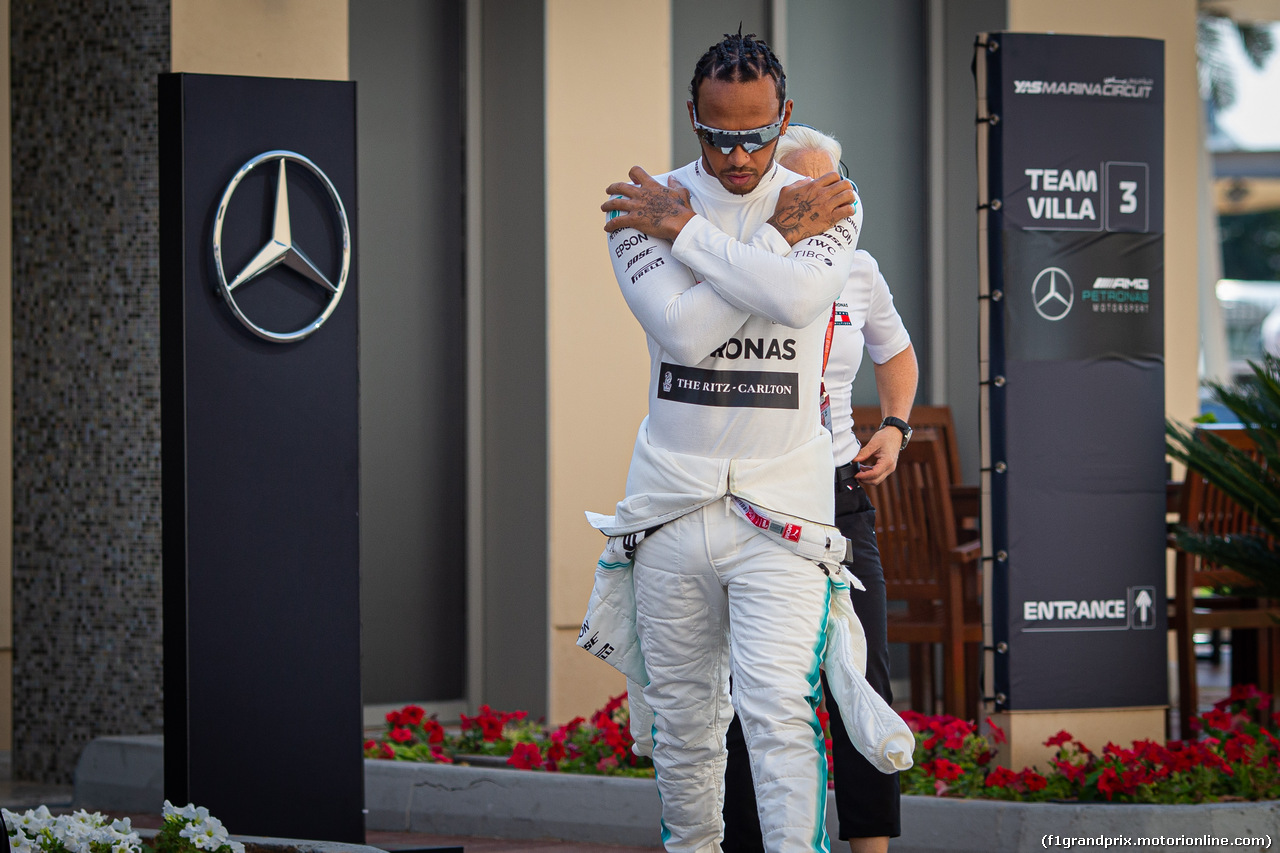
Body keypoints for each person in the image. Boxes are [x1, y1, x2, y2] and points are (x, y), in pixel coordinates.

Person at [595, 31, 864, 853]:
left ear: (784, 116)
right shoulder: (645, 205)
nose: (738, 154)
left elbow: (794, 303)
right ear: (692, 117)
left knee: (781, 710)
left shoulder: (827, 200)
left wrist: (700, 240)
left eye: (756, 133)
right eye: (718, 134)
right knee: (682, 725)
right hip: (672, 504)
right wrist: (759, 246)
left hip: (782, 509)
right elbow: (683, 333)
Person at [721, 126, 918, 853]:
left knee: (863, 672)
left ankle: (869, 841)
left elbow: (895, 353)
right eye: (806, 190)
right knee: (753, 687)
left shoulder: (859, 270)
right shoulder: (740, 263)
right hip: (752, 498)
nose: (827, 203)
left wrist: (893, 427)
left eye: (836, 188)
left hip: (838, 491)